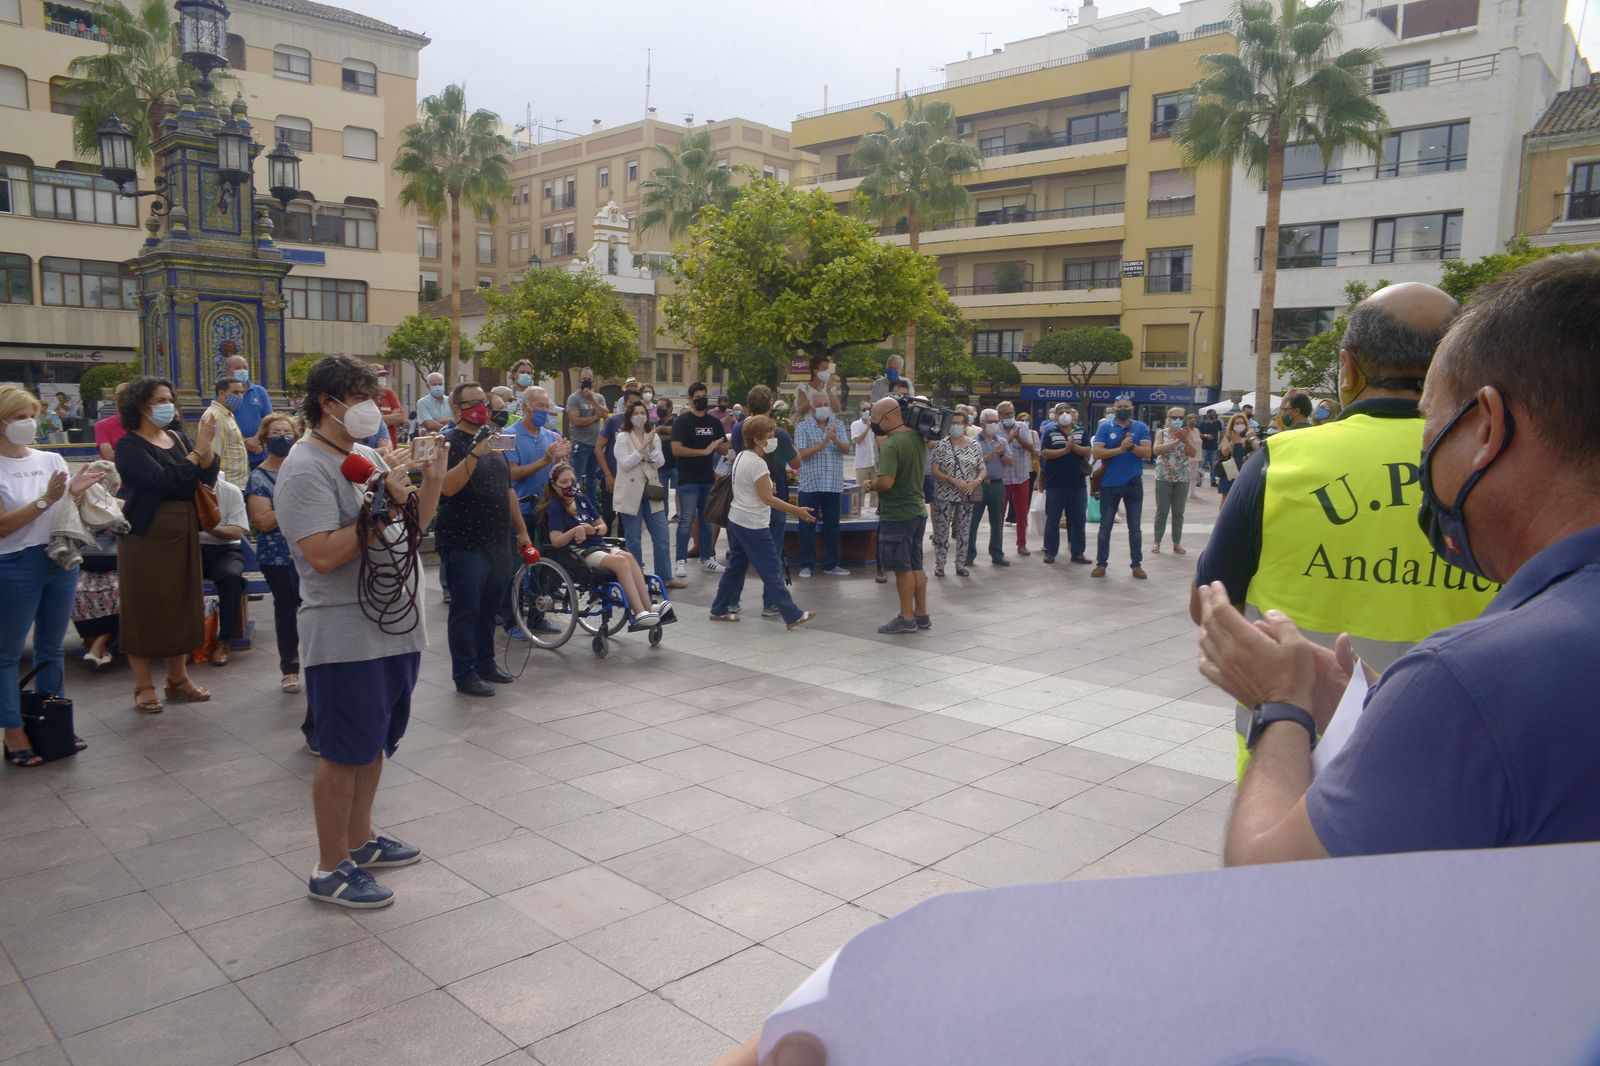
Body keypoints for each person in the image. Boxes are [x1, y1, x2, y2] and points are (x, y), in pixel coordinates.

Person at [1197, 251, 1600, 864]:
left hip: (1319, 796)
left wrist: (1285, 704)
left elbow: (1270, 881)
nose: (1423, 448)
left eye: (1430, 421)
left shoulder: (1470, 681)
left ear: (1487, 426)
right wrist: (1372, 699)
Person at [1192, 280, 1498, 777]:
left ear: (1348, 367)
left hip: (1296, 754)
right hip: (1459, 756)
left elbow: (1209, 604)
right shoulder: (1496, 464)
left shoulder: (1282, 460)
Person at [276, 354, 444, 909]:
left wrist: (432, 481)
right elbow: (322, 555)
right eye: (361, 395)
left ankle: (362, 839)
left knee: (374, 741)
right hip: (346, 632)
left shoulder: (364, 454)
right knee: (344, 750)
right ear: (328, 403)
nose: (373, 406)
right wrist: (378, 507)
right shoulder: (304, 468)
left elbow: (413, 521)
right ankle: (330, 867)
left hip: (395, 624)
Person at [0, 387, 104, 766]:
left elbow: (61, 513)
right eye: (19, 416)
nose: (29, 423)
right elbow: (3, 527)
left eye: (32, 414)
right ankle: (13, 730)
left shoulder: (51, 459)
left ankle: (54, 720)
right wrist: (45, 499)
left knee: (51, 646)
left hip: (57, 557)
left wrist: (72, 493)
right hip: (12, 563)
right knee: (7, 653)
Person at [114, 376, 219, 713]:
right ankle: (143, 686)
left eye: (170, 398)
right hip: (146, 536)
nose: (169, 405)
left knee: (181, 603)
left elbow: (204, 475)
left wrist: (205, 449)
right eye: (161, 399)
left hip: (182, 528)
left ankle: (178, 679)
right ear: (142, 406)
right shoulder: (129, 446)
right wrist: (194, 455)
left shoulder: (175, 437)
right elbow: (162, 480)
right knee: (143, 606)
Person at [437, 384, 532, 697]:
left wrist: (521, 531)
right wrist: (475, 453)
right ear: (457, 409)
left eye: (484, 402)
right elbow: (447, 488)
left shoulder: (494, 440)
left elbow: (508, 491)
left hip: (497, 540)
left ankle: (485, 661)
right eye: (473, 403)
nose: (481, 407)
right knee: (466, 610)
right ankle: (463, 673)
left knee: (490, 607)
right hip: (464, 540)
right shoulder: (449, 442)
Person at [709, 415, 815, 628]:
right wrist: (798, 510)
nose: (773, 438)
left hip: (737, 519)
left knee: (736, 567)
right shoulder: (758, 464)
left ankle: (719, 608)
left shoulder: (741, 456)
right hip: (753, 524)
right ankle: (792, 614)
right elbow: (768, 499)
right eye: (769, 435)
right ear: (757, 439)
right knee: (771, 569)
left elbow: (752, 488)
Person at [535, 462, 661, 627]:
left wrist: (591, 530)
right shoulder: (555, 507)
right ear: (554, 485)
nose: (569, 485)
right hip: (578, 552)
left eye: (572, 480)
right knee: (621, 562)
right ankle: (638, 612)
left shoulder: (581, 499)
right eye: (564, 482)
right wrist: (575, 530)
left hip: (598, 545)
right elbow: (556, 540)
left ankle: (648, 606)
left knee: (628, 557)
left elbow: (603, 527)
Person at [245, 413, 303, 694]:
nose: (283, 437)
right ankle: (289, 668)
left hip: (309, 550)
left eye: (288, 432)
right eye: (277, 432)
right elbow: (264, 521)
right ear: (266, 438)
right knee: (287, 610)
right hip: (278, 555)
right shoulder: (259, 477)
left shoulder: (302, 469)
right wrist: (293, 503)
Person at [729, 386, 800, 617]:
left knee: (739, 554)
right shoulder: (778, 433)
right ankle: (771, 603)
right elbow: (796, 462)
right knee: (773, 552)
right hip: (772, 498)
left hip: (743, 500)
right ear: (770, 406)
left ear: (748, 405)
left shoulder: (740, 428)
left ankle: (731, 601)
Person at [872, 396, 931, 634]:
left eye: (874, 418)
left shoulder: (892, 444)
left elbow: (886, 482)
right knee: (916, 564)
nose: (873, 423)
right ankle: (921, 614)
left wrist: (869, 485)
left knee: (902, 567)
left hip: (898, 514)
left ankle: (906, 617)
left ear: (886, 418)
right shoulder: (917, 438)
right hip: (917, 510)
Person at [1090, 396, 1152, 579]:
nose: (1123, 409)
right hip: (1109, 483)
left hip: (1133, 483)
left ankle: (1136, 565)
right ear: (1114, 409)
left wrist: (1131, 446)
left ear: (1132, 408)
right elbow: (1097, 452)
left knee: (1135, 528)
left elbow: (1147, 452)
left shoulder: (1141, 427)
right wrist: (1120, 450)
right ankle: (1101, 564)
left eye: (1126, 406)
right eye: (1120, 407)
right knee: (1105, 527)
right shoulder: (1104, 427)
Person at [671, 381, 728, 578]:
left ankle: (707, 558)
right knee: (686, 521)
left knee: (707, 521)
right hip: (688, 479)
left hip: (707, 479)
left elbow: (724, 446)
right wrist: (703, 451)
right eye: (698, 397)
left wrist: (721, 446)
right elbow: (676, 449)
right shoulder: (683, 421)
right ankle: (680, 561)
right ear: (690, 399)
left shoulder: (714, 423)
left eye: (704, 396)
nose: (702, 400)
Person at [613, 396, 672, 586]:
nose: (639, 417)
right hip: (631, 492)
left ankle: (665, 577)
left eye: (642, 413)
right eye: (636, 413)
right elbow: (625, 463)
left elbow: (661, 462)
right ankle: (636, 577)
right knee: (634, 540)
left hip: (652, 491)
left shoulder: (653, 436)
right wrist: (642, 448)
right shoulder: (622, 437)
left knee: (662, 537)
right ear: (629, 416)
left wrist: (652, 449)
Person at [793, 399, 851, 577]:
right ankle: (806, 565)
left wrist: (834, 439)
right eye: (819, 405)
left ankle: (831, 564)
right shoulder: (803, 427)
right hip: (810, 484)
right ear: (812, 407)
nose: (824, 408)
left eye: (826, 404)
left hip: (832, 483)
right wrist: (823, 443)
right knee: (806, 525)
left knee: (832, 525)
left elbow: (847, 449)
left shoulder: (838, 425)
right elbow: (801, 454)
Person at [198, 476, 248, 667]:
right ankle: (181, 641)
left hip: (225, 550)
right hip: (191, 549)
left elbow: (236, 532)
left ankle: (224, 640)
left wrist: (208, 526)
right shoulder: (183, 490)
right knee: (171, 576)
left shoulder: (230, 491)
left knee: (231, 577)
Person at [929, 410, 982, 577]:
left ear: (966, 425)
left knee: (964, 529)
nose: (956, 426)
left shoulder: (974, 445)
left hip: (967, 493)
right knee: (942, 529)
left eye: (959, 423)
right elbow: (935, 471)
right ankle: (940, 564)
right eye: (953, 423)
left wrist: (976, 481)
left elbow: (982, 469)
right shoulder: (941, 444)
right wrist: (951, 479)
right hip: (945, 493)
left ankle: (960, 563)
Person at [1038, 403, 1093, 565]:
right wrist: (1065, 450)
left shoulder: (1081, 431)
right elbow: (1045, 453)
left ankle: (1077, 552)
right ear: (1055, 415)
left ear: (1072, 414)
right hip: (1055, 483)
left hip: (1077, 484)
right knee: (1053, 519)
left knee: (1078, 520)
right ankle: (1050, 551)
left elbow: (1087, 451)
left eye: (1066, 411)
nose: (1064, 414)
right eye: (1060, 411)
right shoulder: (1050, 432)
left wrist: (1073, 446)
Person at [964, 408, 1010, 568]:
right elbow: (969, 463)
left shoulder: (1002, 442)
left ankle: (997, 554)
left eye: (996, 421)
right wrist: (990, 456)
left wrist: (1002, 454)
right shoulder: (973, 441)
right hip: (978, 485)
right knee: (973, 521)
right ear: (982, 423)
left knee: (997, 521)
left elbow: (1011, 462)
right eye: (990, 421)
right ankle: (969, 554)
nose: (994, 424)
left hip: (997, 485)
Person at [1152, 405, 1198, 555]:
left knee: (1178, 513)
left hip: (1182, 478)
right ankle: (1157, 542)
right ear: (1168, 419)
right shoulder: (1161, 433)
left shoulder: (1187, 434)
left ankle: (1176, 543)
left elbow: (1193, 453)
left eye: (1180, 418)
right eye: (1174, 418)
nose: (1178, 420)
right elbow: (1157, 450)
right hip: (1164, 477)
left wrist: (1184, 440)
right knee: (1162, 511)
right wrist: (1175, 441)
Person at [596, 387, 642, 529]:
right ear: (625, 403)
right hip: (612, 477)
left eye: (637, 403)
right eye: (631, 403)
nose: (634, 407)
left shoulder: (641, 423)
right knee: (608, 516)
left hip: (631, 479)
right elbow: (598, 449)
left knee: (626, 521)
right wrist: (608, 474)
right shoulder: (613, 421)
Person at [996, 402, 1038, 556]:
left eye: (1011, 413)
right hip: (1003, 479)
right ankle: (997, 546)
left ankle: (1022, 544)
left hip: (1021, 476)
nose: (1009, 416)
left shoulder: (1022, 427)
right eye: (1006, 414)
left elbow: (1031, 449)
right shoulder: (996, 429)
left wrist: (1018, 436)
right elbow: (996, 451)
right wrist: (1010, 438)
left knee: (1022, 513)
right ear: (1000, 416)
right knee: (999, 513)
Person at [563, 366, 607, 502]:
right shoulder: (574, 398)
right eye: (584, 379)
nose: (586, 381)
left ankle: (592, 507)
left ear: (593, 380)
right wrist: (595, 417)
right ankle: (573, 504)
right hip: (581, 444)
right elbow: (576, 421)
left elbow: (605, 414)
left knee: (592, 479)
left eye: (589, 379)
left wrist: (592, 400)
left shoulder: (598, 398)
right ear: (579, 380)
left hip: (595, 445)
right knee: (576, 478)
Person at [223, 354, 273, 466]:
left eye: (244, 368)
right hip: (235, 455)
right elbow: (223, 421)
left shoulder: (260, 392)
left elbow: (269, 420)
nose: (242, 370)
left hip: (259, 452)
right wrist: (245, 441)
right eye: (237, 368)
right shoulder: (223, 394)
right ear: (228, 372)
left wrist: (257, 439)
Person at [206, 375, 250, 490]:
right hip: (227, 484)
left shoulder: (227, 414)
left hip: (237, 483)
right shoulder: (216, 417)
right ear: (221, 393)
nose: (240, 396)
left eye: (241, 393)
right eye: (235, 392)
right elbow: (214, 455)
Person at [1216, 412, 1258, 497]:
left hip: (1245, 471)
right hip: (1230, 472)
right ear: (1232, 425)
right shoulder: (1228, 437)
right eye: (1237, 423)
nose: (1240, 425)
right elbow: (1225, 453)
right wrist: (1233, 441)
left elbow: (1256, 452)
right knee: (1226, 499)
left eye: (1242, 423)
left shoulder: (1249, 437)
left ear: (1246, 425)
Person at [850, 400, 877, 513]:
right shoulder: (855, 424)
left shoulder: (877, 423)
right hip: (862, 463)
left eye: (868, 409)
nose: (867, 411)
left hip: (875, 462)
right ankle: (859, 513)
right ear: (859, 412)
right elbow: (858, 440)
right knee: (860, 491)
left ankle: (874, 513)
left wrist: (873, 425)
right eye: (864, 410)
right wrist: (867, 427)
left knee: (875, 492)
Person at [794, 354, 838, 422]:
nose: (827, 372)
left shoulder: (830, 388)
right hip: (810, 427)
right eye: (824, 368)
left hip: (829, 426)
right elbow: (800, 410)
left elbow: (837, 409)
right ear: (815, 371)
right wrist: (814, 399)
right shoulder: (804, 388)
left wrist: (828, 391)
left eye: (828, 369)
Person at [371, 364, 405, 448]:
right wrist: (390, 418)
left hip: (391, 445)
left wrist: (376, 418)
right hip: (371, 446)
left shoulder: (389, 394)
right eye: (379, 376)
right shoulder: (364, 396)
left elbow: (400, 418)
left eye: (383, 376)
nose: (382, 379)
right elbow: (367, 419)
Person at [1199, 409, 1222, 487]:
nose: (1213, 415)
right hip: (1204, 447)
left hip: (1214, 447)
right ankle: (1199, 481)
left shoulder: (1218, 423)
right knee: (1202, 465)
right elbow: (1199, 434)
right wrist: (1206, 435)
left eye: (1214, 414)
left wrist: (1221, 442)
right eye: (1211, 414)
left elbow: (1221, 432)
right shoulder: (1203, 423)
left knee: (1214, 465)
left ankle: (1213, 481)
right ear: (1207, 414)